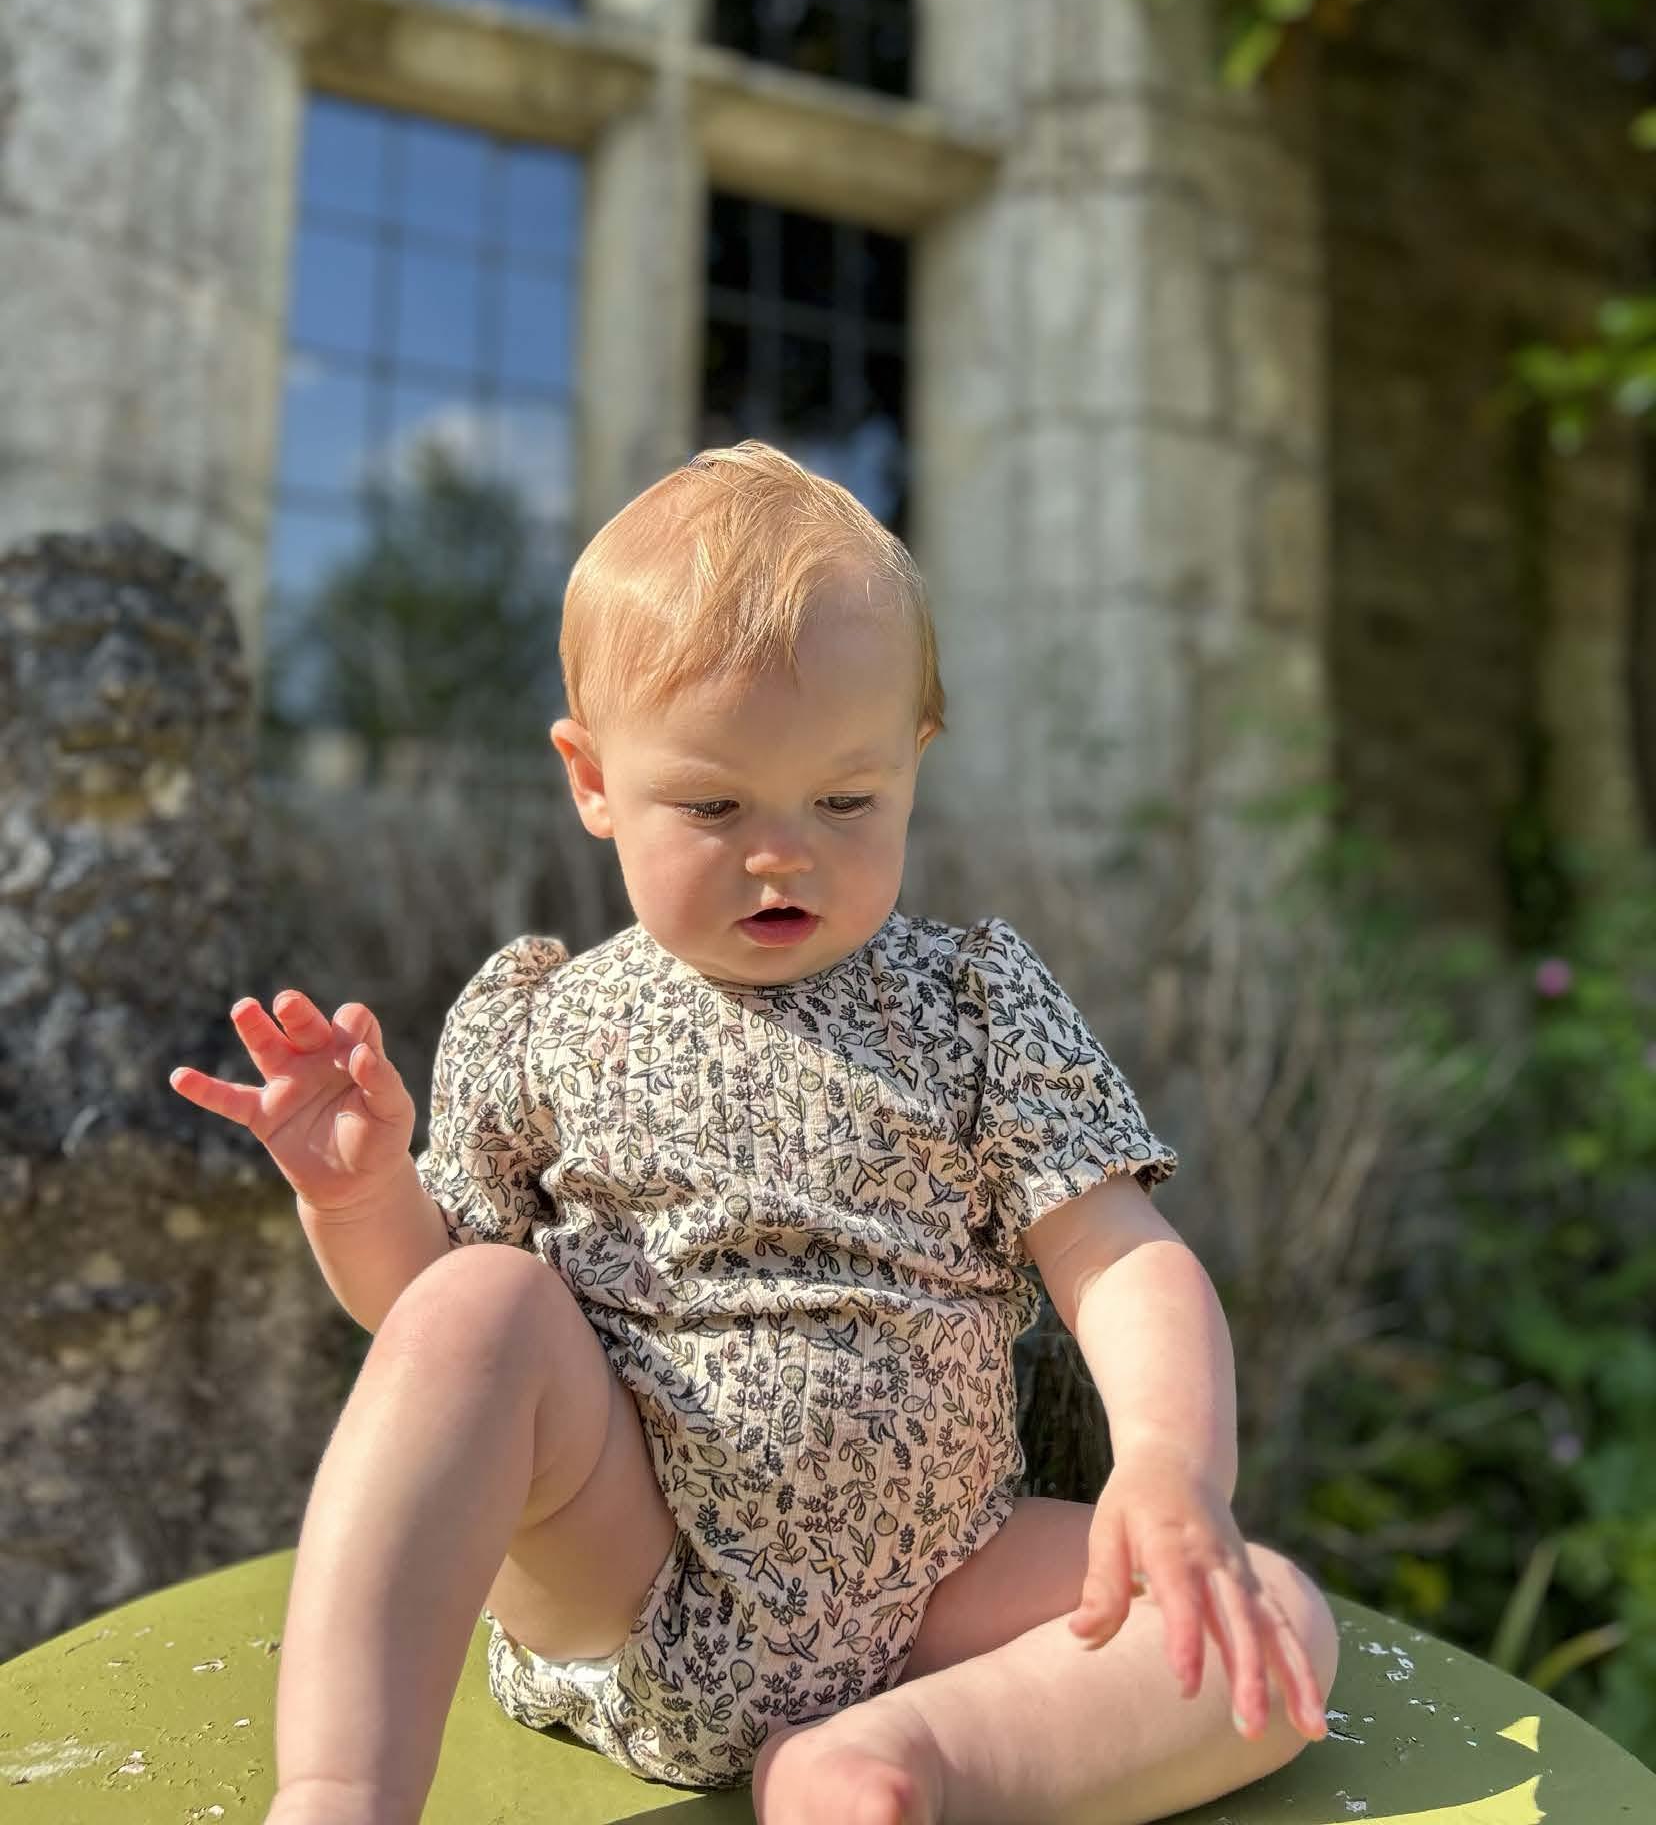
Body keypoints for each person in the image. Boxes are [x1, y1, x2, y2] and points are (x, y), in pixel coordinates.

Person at [172, 440, 1336, 1825]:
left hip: (939, 1581)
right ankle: (339, 1795)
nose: (782, 851)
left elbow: (1119, 1253)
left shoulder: (974, 1007)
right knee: (479, 1302)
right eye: (714, 805)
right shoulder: (549, 1023)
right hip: (629, 1574)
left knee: (1272, 1621)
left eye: (845, 801)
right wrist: (359, 1200)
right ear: (593, 779)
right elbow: (434, 1344)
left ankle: (897, 1761)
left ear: (912, 763)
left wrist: (1170, 1463)